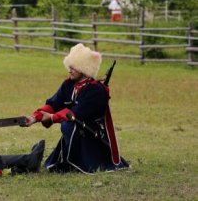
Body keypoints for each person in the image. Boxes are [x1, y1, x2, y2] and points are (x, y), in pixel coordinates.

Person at [23, 44, 129, 174]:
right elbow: (53, 104)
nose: (70, 70)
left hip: (91, 133)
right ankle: (67, 161)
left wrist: (51, 118)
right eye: (70, 66)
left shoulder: (96, 90)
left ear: (84, 68)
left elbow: (75, 113)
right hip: (77, 127)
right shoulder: (68, 84)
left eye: (73, 67)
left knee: (68, 125)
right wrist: (35, 117)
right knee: (68, 125)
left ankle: (76, 163)